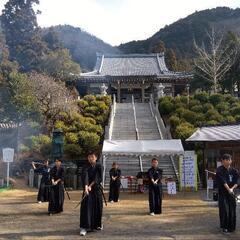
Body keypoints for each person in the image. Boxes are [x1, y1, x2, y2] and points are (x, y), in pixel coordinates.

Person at [80, 151, 103, 236]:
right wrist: (86, 186)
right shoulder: (85, 166)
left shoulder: (99, 165)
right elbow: (84, 176)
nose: (90, 158)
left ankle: (97, 225)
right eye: (89, 157)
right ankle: (84, 227)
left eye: (92, 157)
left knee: (97, 207)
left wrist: (91, 185)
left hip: (96, 190)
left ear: (96, 157)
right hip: (87, 191)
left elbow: (98, 177)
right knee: (86, 208)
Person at [216, 154, 239, 234]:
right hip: (223, 194)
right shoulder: (219, 170)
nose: (228, 161)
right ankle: (224, 227)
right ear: (222, 161)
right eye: (226, 159)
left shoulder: (234, 171)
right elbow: (223, 181)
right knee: (224, 210)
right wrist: (228, 189)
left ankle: (231, 227)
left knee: (232, 210)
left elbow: (237, 181)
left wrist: (232, 189)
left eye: (229, 159)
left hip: (232, 194)